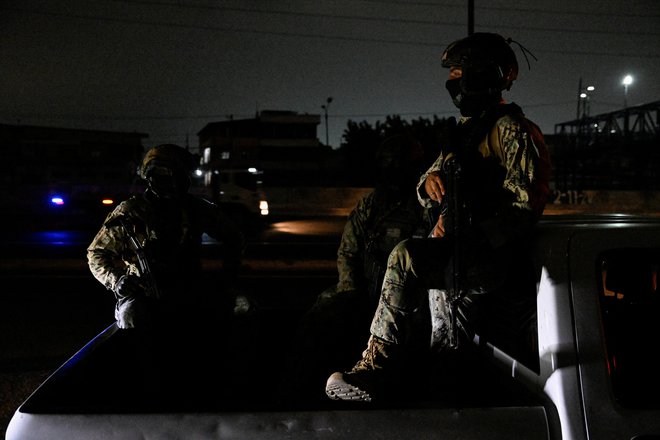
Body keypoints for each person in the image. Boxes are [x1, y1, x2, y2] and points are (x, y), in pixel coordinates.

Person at [324, 32, 551, 402]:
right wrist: (429, 183)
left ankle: (375, 367)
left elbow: (525, 205)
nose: (454, 81)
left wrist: (477, 234)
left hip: (483, 258)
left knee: (406, 258)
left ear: (485, 73)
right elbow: (426, 184)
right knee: (446, 347)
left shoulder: (512, 131)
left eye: (462, 72)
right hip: (454, 253)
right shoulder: (466, 132)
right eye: (453, 74)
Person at [87, 143, 245, 406]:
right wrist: (118, 281)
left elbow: (234, 238)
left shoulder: (196, 209)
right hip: (143, 291)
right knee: (132, 320)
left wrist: (226, 278)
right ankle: (133, 388)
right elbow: (97, 254)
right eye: (160, 175)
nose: (166, 182)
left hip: (189, 287)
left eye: (173, 175)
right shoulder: (131, 211)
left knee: (237, 314)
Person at [280, 133, 432, 403]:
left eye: (399, 164)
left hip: (407, 298)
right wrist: (351, 292)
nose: (393, 172)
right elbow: (348, 251)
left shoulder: (425, 207)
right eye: (388, 165)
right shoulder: (371, 206)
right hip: (362, 290)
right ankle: (296, 391)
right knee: (318, 316)